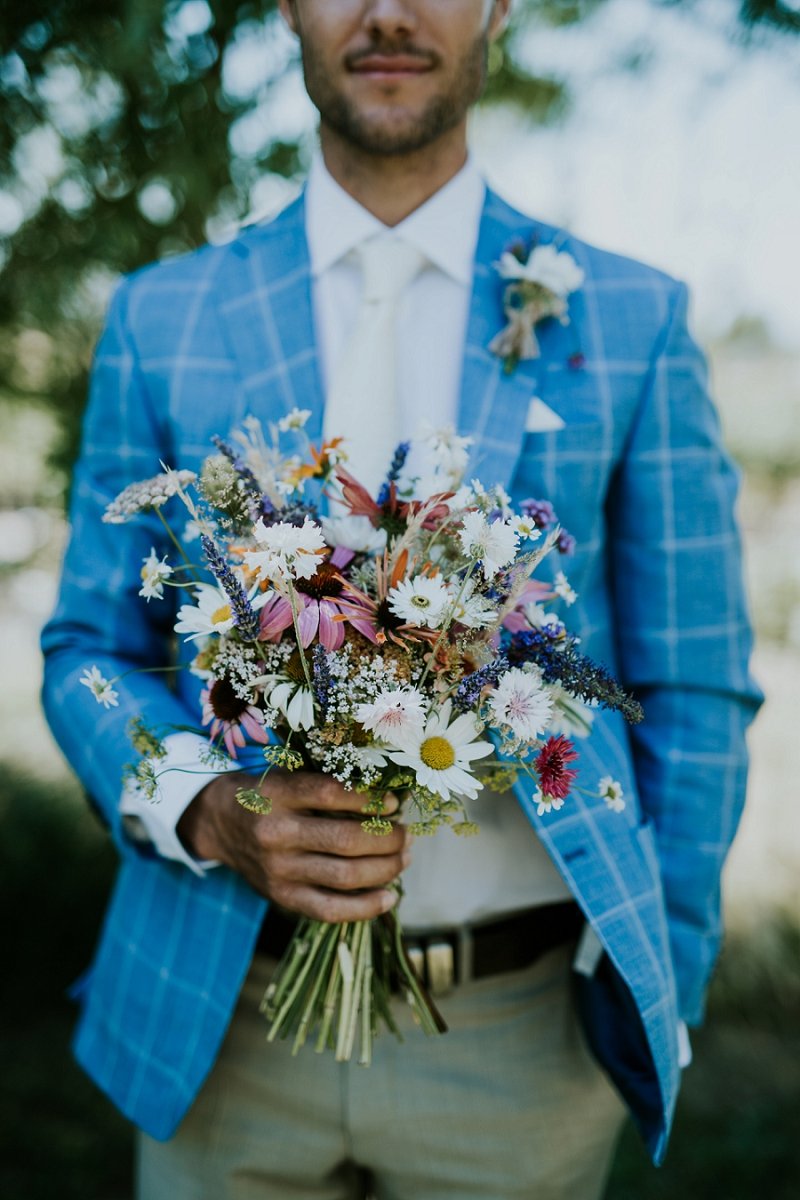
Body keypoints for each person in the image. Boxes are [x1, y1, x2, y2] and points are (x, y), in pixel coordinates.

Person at [41, 1, 762, 1197]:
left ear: (499, 8)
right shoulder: (160, 316)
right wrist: (207, 806)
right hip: (215, 1019)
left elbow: (690, 682)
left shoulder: (629, 318)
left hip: (521, 1049)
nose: (384, 11)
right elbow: (86, 648)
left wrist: (658, 970)